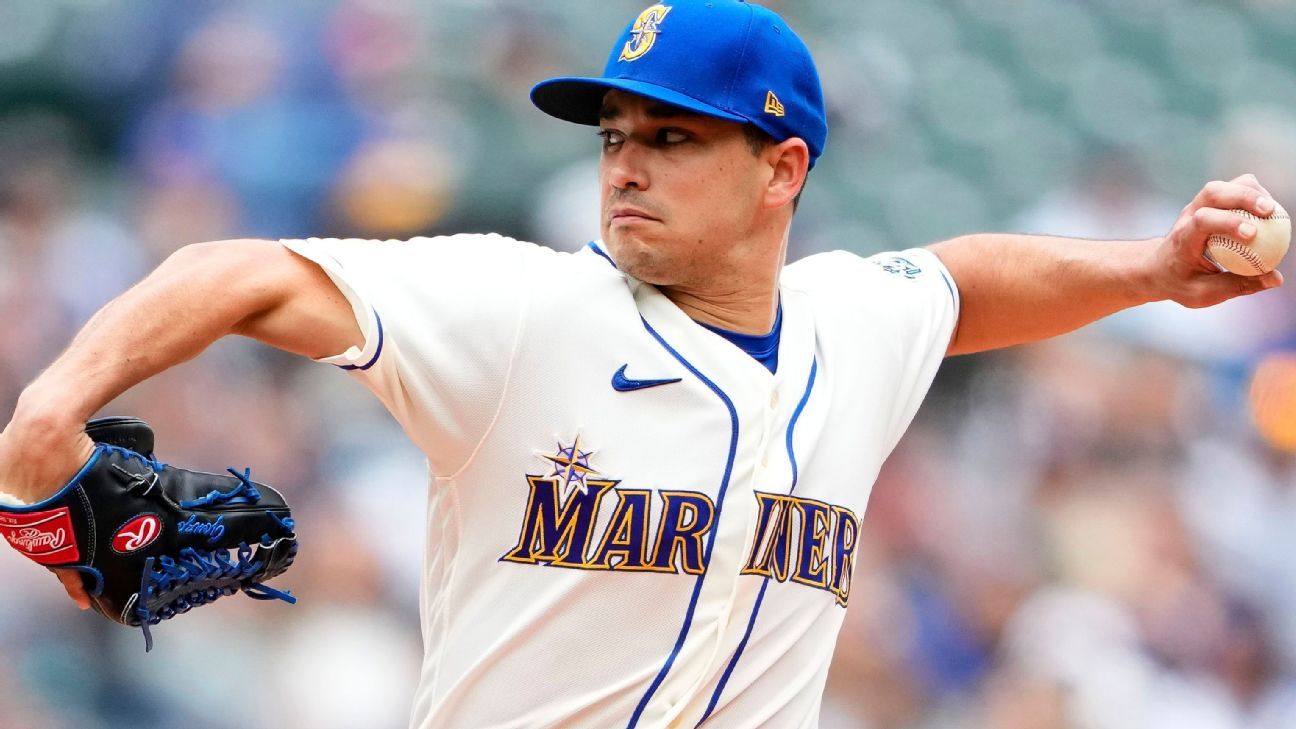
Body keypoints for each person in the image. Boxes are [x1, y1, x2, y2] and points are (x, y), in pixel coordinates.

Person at [0, 1, 1284, 727]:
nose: (626, 164)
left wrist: (1153, 268)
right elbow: (233, 272)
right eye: (615, 133)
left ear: (782, 169)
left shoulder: (850, 324)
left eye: (673, 138)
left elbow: (961, 284)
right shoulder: (524, 308)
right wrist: (48, 416)